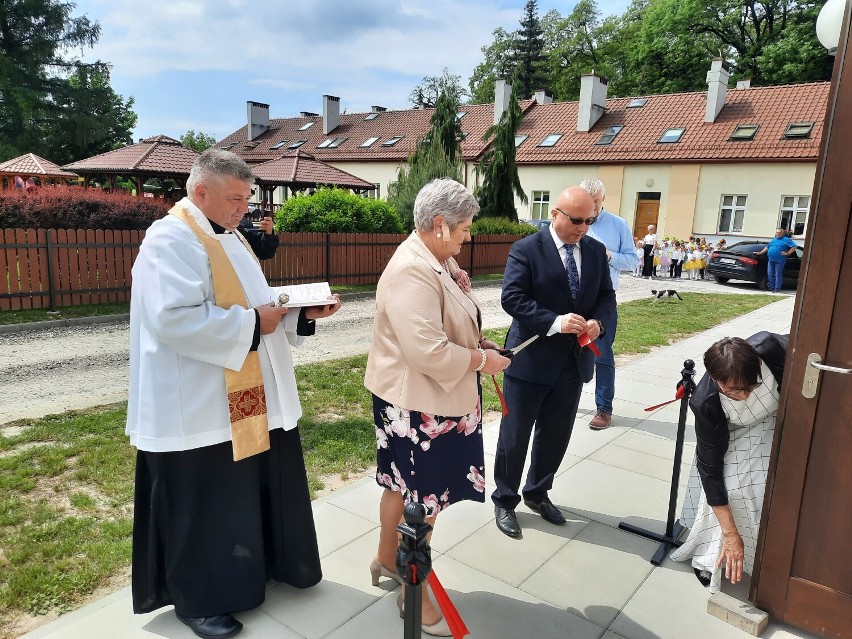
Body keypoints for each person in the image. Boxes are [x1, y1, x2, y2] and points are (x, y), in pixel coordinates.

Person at [127, 149, 342, 639]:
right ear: (200, 192)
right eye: (235, 198)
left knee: (246, 492)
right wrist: (251, 323)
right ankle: (200, 599)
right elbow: (173, 320)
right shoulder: (171, 239)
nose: (245, 208)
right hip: (196, 405)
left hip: (246, 400)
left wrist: (298, 314)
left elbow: (258, 306)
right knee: (206, 504)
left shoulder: (232, 237)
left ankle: (261, 568)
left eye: (247, 198)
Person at [364, 178, 510, 636]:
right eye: (465, 228)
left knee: (400, 488)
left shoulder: (435, 259)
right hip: (418, 407)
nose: (470, 236)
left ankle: (387, 561)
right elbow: (426, 351)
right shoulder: (413, 269)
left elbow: (446, 326)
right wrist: (482, 359)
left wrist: (476, 342)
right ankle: (414, 592)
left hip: (427, 400)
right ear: (441, 225)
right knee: (421, 504)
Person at [492, 186, 616, 538]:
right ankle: (504, 500)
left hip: (572, 363)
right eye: (576, 220)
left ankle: (538, 492)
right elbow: (512, 298)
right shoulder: (526, 249)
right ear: (555, 214)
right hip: (530, 361)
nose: (583, 228)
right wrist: (555, 322)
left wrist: (599, 324)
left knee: (556, 435)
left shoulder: (593, 251)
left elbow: (606, 296)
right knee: (514, 438)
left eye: (589, 221)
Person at [671, 332, 788, 593]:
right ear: (715, 380)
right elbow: (710, 469)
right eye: (735, 390)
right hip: (734, 429)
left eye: (752, 386)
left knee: (770, 483)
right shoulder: (705, 402)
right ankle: (713, 553)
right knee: (731, 487)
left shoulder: (771, 348)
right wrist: (730, 533)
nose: (745, 395)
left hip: (779, 414)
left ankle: (768, 557)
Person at [580, 178, 639, 430]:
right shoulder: (575, 221)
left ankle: (603, 408)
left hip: (603, 299)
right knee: (565, 351)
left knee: (601, 353)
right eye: (586, 202)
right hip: (574, 298)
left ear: (603, 199)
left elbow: (633, 261)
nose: (590, 208)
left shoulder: (618, 225)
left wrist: (609, 255)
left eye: (595, 202)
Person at [754, 228, 797, 292]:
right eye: (777, 232)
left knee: (778, 274)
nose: (778, 234)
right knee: (770, 273)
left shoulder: (786, 239)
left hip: (780, 260)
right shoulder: (774, 239)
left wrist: (788, 253)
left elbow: (794, 246)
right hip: (771, 260)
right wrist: (760, 252)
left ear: (783, 233)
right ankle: (771, 287)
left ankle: (777, 288)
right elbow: (767, 247)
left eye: (780, 233)